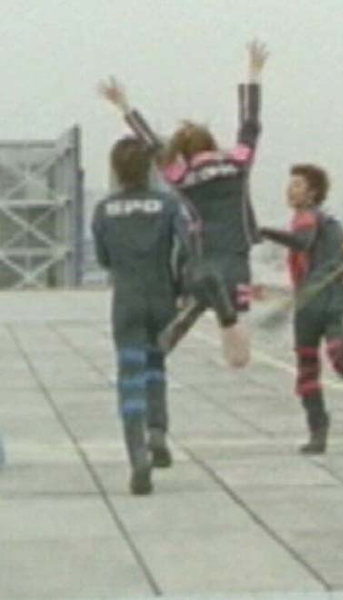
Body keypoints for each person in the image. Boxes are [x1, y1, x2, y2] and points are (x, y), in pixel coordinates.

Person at [97, 40, 269, 368]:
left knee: (200, 289)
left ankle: (194, 305)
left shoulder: (183, 177)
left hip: (203, 258)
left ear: (185, 152)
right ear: (212, 144)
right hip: (237, 257)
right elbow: (250, 124)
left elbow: (151, 144)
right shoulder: (238, 164)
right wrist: (253, 73)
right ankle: (230, 322)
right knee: (238, 316)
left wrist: (125, 107)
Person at [92, 136, 192, 495]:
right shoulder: (168, 204)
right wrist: (181, 287)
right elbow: (187, 247)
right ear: (149, 168)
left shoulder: (104, 210)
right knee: (156, 366)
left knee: (130, 376)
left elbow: (103, 258)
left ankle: (137, 455)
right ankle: (158, 431)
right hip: (161, 296)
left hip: (127, 299)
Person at [259, 165, 343, 454]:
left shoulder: (307, 218)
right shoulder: (332, 224)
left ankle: (318, 430)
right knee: (332, 364)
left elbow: (302, 242)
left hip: (315, 300)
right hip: (329, 299)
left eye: (297, 185)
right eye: (290, 184)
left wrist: (264, 231)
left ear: (312, 193)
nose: (290, 190)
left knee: (307, 369)